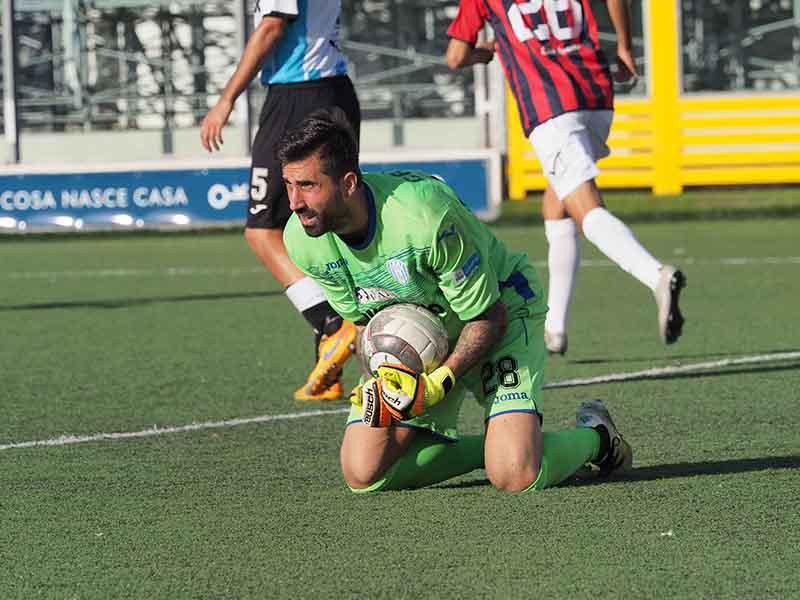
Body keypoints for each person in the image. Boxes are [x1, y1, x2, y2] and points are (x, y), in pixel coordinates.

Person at [279, 108, 632, 493]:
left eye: (308, 186)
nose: (295, 202)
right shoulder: (302, 241)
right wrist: (378, 378)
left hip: (500, 312)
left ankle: (596, 437)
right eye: (289, 185)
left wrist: (440, 381)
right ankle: (499, 447)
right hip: (424, 343)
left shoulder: (423, 216)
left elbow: (488, 315)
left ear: (348, 183)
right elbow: (366, 324)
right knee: (364, 473)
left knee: (515, 476)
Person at [445, 0, 686, 355]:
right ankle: (554, 328)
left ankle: (656, 276)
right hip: (595, 94)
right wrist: (624, 45)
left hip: (550, 106)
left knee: (586, 208)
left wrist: (487, 52)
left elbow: (455, 56)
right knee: (556, 208)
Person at [199, 0, 361, 400]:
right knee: (326, 224)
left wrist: (226, 99)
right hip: (334, 90)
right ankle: (331, 362)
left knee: (262, 229)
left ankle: (332, 323)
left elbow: (273, 25)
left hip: (296, 99)